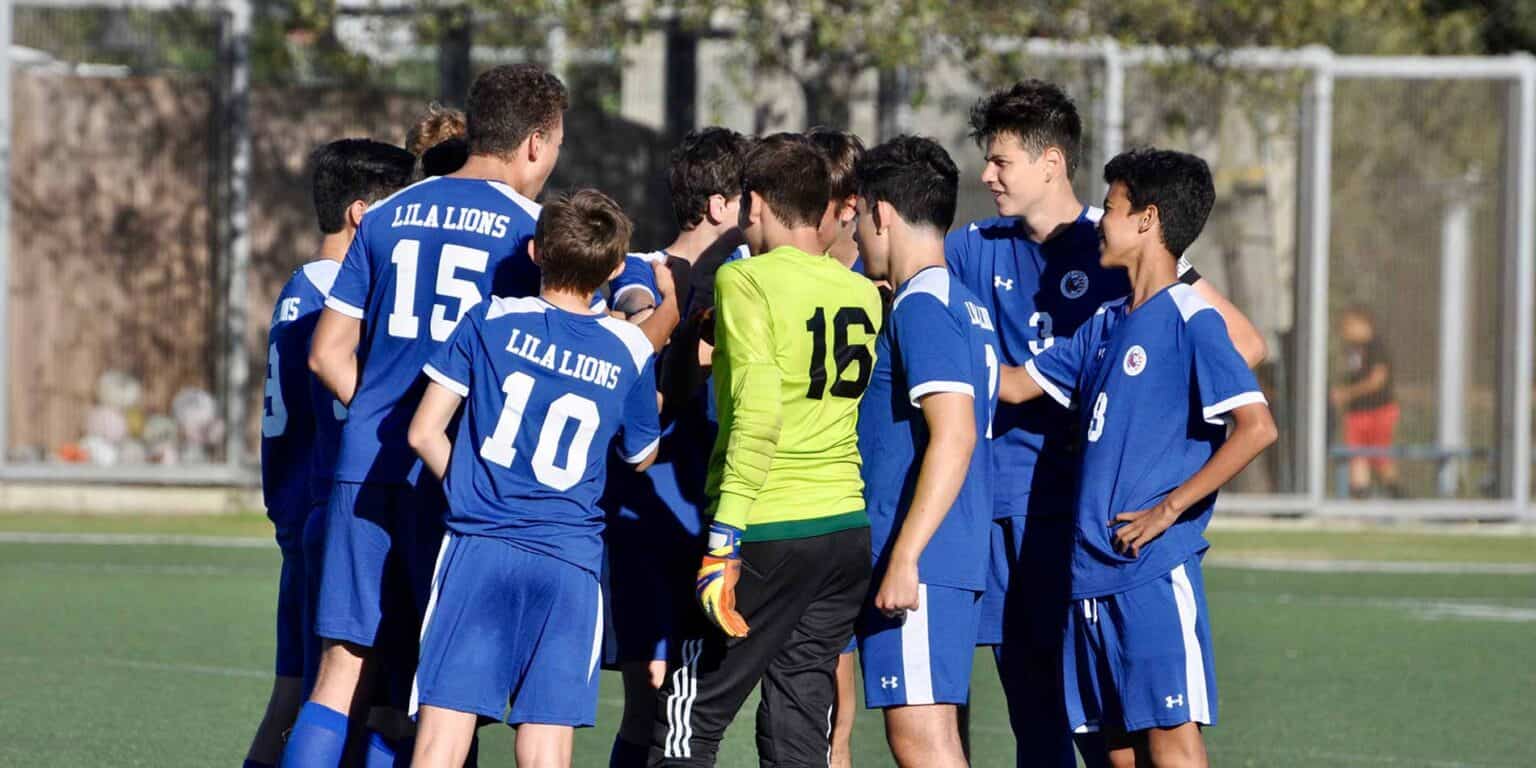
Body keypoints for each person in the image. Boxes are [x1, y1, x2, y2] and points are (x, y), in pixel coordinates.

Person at [944, 79, 1266, 766]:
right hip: (1047, 531)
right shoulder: (1000, 260)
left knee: (1152, 735)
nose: (987, 174)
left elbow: (1248, 375)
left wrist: (1167, 487)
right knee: (1078, 726)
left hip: (1124, 539)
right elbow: (1015, 378)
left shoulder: (1152, 274)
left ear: (1051, 162)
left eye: (1000, 160)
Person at [283, 63, 568, 768]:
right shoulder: (530, 234)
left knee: (341, 674)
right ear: (534, 143)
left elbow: (326, 355)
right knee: (438, 692)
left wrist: (384, 411)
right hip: (454, 482)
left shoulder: (383, 216)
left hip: (364, 469)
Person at [405, 189, 664, 768]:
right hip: (570, 561)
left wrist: (475, 489)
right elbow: (640, 455)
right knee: (546, 746)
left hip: (481, 546)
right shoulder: (630, 348)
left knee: (442, 738)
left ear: (535, 251)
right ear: (616, 268)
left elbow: (424, 432)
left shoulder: (491, 317)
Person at [650, 133, 881, 766]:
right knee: (798, 722)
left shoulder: (744, 279)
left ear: (755, 203)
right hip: (843, 531)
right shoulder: (861, 291)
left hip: (765, 527)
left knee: (689, 718)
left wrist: (723, 540)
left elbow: (756, 415)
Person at [245, 138, 415, 768]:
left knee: (295, 694)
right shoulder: (340, 300)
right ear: (364, 216)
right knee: (368, 701)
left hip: (298, 511)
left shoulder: (300, 286)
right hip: (338, 509)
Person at [600, 126, 751, 768]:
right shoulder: (647, 272)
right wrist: (672, 331)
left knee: (691, 702)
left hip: (712, 519)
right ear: (719, 205)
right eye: (751, 195)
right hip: (645, 517)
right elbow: (631, 322)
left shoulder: (752, 282)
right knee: (651, 698)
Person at [851, 135, 997, 768]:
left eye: (857, 217)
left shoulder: (923, 305)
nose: (855, 235)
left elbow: (956, 432)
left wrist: (905, 556)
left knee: (923, 739)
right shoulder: (960, 300)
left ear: (881, 213)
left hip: (925, 560)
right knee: (927, 731)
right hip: (944, 553)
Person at [806, 124, 868, 768]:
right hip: (779, 509)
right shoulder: (759, 270)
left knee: (830, 713)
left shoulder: (880, 283)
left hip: (840, 508)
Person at [1331, 307, 1401, 498]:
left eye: (1349, 325)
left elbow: (1377, 380)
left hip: (1379, 410)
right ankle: (1361, 500)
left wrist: (1347, 394)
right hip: (1357, 413)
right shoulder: (1352, 350)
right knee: (1357, 456)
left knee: (1380, 458)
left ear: (1363, 324)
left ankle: (1397, 498)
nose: (1344, 330)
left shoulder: (1376, 346)